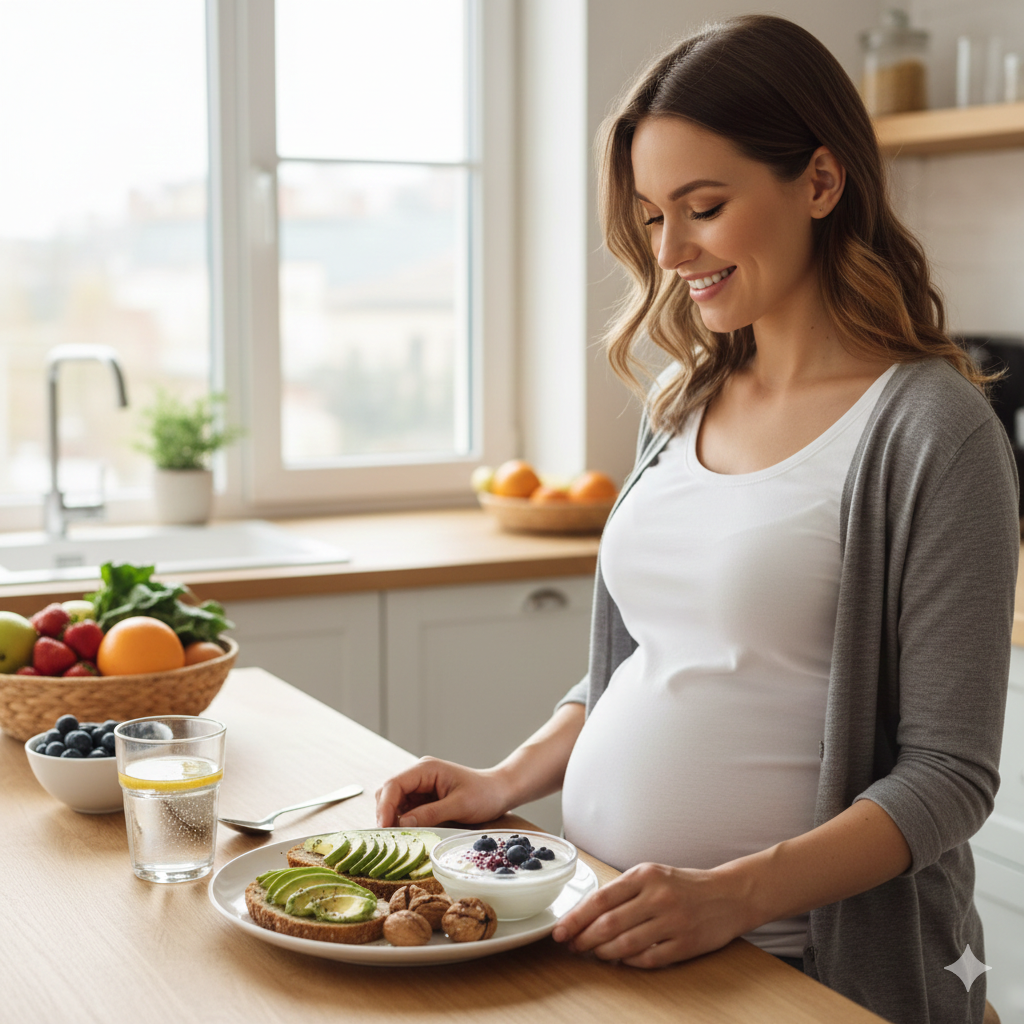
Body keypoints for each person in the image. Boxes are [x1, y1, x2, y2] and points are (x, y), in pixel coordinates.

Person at [375, 15, 1018, 1024]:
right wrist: (505, 778)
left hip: (798, 964)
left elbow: (948, 777)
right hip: (610, 928)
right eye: (649, 214)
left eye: (702, 207)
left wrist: (730, 893)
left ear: (817, 181)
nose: (669, 250)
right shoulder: (685, 394)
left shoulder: (936, 431)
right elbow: (639, 660)